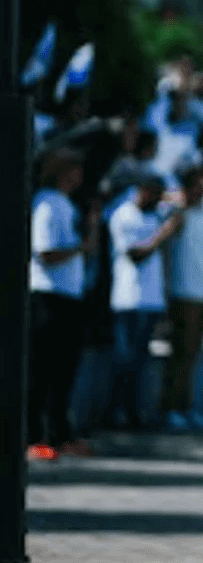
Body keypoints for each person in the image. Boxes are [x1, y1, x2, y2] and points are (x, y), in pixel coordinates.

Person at [27, 148, 99, 460]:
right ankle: (34, 437)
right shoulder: (46, 202)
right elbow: (45, 253)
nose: (79, 177)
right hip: (48, 296)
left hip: (68, 296)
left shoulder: (66, 204)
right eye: (74, 170)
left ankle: (59, 435)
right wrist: (80, 247)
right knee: (42, 370)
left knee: (64, 371)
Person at [107, 172, 183, 429]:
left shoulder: (154, 215)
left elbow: (177, 209)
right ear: (142, 190)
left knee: (140, 361)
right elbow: (135, 255)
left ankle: (133, 412)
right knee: (125, 359)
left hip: (152, 299)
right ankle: (117, 412)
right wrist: (163, 234)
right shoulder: (123, 216)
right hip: (128, 298)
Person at [162, 165, 203, 432]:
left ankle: (186, 406)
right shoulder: (177, 214)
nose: (202, 189)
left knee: (193, 355)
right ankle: (171, 408)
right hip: (183, 292)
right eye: (197, 184)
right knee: (180, 354)